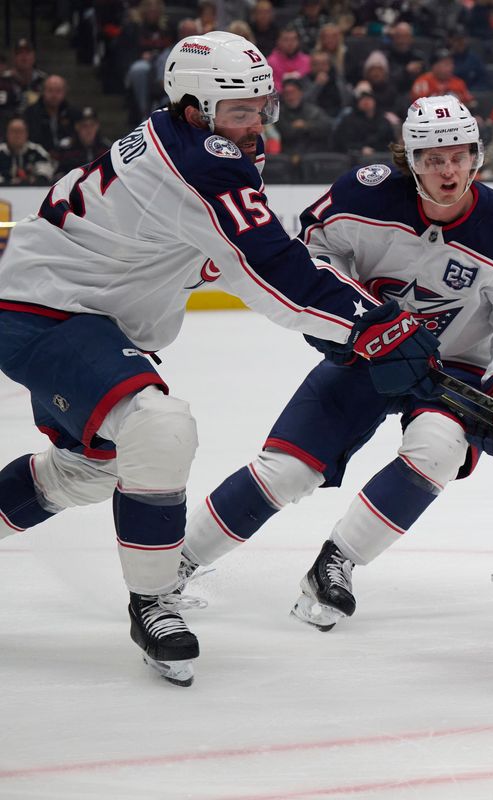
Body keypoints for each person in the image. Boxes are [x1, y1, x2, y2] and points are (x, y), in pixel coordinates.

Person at [0, 31, 437, 688]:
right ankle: (153, 602)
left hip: (75, 312)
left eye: (261, 106)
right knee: (159, 426)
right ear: (194, 109)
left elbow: (243, 266)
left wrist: (342, 317)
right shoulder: (202, 161)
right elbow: (272, 271)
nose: (255, 123)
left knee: (92, 469)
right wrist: (366, 324)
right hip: (48, 310)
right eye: (238, 111)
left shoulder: (185, 146)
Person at [183, 95, 493, 632]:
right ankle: (173, 566)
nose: (448, 170)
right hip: (369, 349)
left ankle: (337, 563)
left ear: (476, 156)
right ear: (409, 160)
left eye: (460, 155)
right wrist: (344, 323)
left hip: (453, 371)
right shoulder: (364, 193)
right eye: (432, 158)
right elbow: (313, 253)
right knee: (287, 470)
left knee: (439, 449)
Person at [0, 117, 56, 185]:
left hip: (32, 190)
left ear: (26, 134)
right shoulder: (1, 151)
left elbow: (46, 170)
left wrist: (35, 180)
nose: (17, 135)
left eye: (20, 131)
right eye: (13, 131)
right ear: (7, 133)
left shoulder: (36, 150)